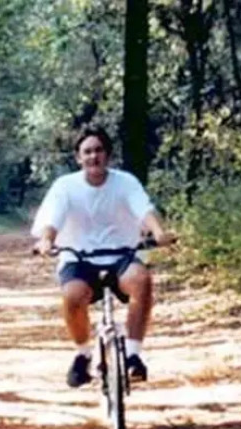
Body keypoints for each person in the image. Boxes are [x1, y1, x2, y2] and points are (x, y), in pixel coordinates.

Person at [31, 125, 177, 388]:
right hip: (79, 258)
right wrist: (46, 240)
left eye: (99, 150)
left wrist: (159, 232)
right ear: (78, 157)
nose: (93, 156)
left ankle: (133, 355)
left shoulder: (125, 182)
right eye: (87, 152)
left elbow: (144, 210)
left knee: (141, 280)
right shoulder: (65, 186)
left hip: (122, 255)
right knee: (72, 295)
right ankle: (83, 355)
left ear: (108, 154)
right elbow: (52, 219)